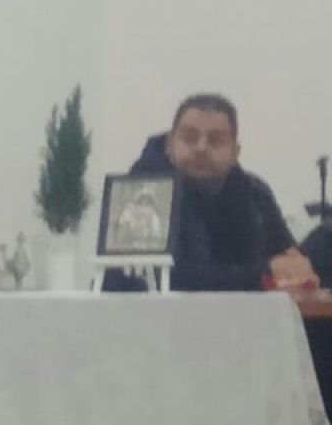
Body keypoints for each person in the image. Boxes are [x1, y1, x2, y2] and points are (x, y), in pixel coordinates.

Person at [102, 94, 314, 292]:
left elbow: (286, 261)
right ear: (169, 145)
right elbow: (145, 279)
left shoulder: (254, 195)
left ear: (235, 152)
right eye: (190, 138)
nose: (201, 148)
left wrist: (296, 272)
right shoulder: (141, 192)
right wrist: (261, 276)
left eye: (216, 140)